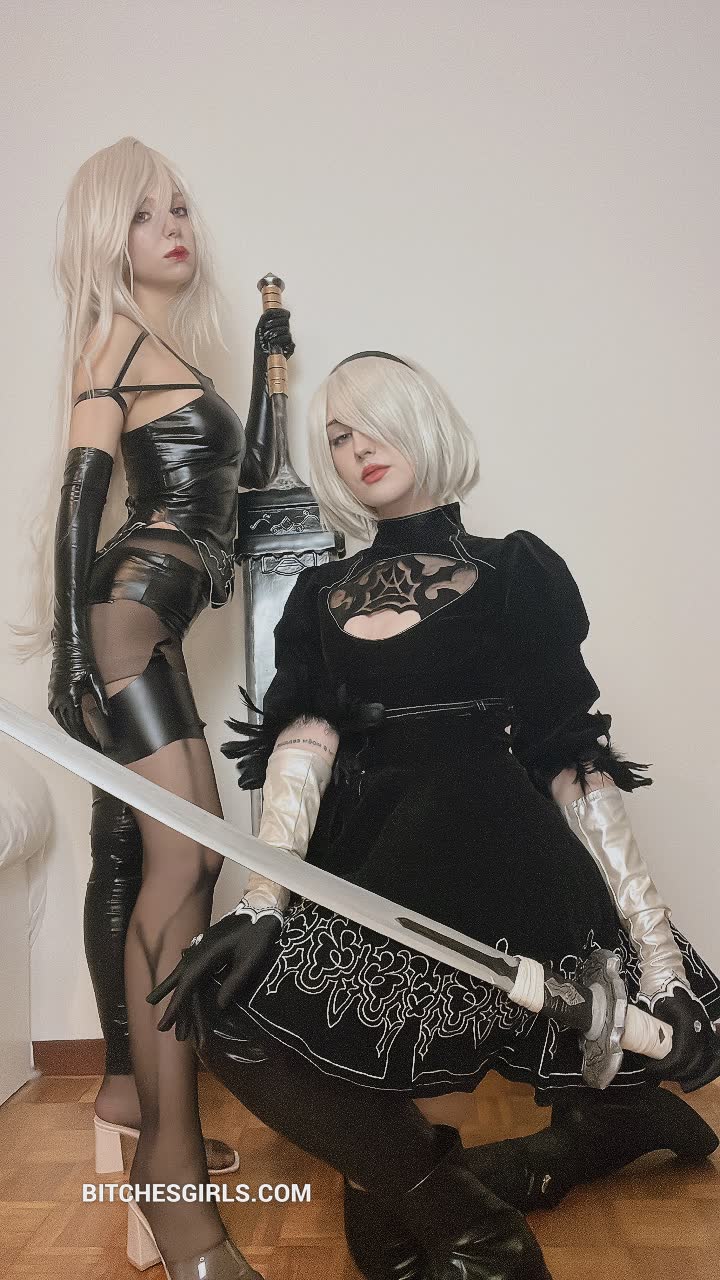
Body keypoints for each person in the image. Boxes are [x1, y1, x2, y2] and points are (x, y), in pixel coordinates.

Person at [148, 351, 720, 1280]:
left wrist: (659, 963)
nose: (356, 447)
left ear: (423, 420)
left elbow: (571, 755)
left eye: (374, 422)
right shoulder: (318, 594)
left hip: (499, 856)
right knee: (235, 1019)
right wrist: (261, 901)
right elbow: (301, 749)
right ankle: (512, 1201)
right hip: (374, 863)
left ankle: (549, 1176)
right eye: (338, 435)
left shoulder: (515, 569)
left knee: (406, 1221)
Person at [14, 137, 293, 1279]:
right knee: (185, 870)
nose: (174, 226)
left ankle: (152, 1130)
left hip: (151, 624)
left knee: (181, 868)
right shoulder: (114, 337)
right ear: (106, 234)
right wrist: (71, 653)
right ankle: (174, 1190)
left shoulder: (168, 348)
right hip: (126, 621)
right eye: (144, 213)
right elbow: (82, 490)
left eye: (178, 207)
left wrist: (271, 370)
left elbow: (238, 481)